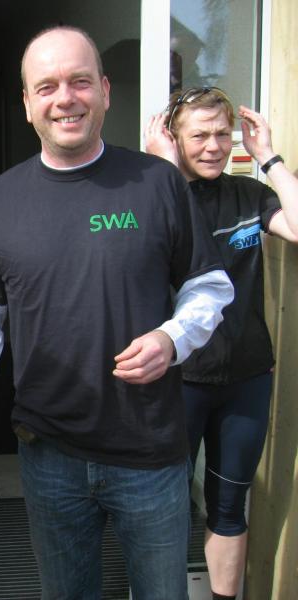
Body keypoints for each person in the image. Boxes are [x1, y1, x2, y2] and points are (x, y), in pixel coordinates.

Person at [0, 27, 235, 600]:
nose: (65, 99)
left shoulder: (156, 183)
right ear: (27, 104)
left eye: (79, 82)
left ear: (105, 91)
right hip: (49, 456)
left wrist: (172, 338)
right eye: (46, 87)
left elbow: (210, 287)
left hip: (151, 454)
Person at [145, 87, 298, 600]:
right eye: (199, 136)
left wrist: (268, 157)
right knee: (162, 509)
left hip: (246, 379)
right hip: (178, 381)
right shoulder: (155, 195)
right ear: (173, 139)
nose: (213, 147)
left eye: (221, 135)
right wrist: (165, 173)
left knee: (229, 507)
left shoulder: (248, 195)